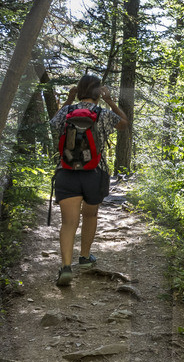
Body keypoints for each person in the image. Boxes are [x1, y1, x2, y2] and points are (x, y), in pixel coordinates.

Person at [50, 73, 128, 286]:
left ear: (79, 91)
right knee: (90, 215)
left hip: (66, 171)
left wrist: (68, 99)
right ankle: (84, 257)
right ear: (98, 93)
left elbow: (53, 124)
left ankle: (66, 267)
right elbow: (124, 123)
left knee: (68, 222)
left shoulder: (67, 111)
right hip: (95, 172)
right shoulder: (103, 113)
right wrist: (109, 100)